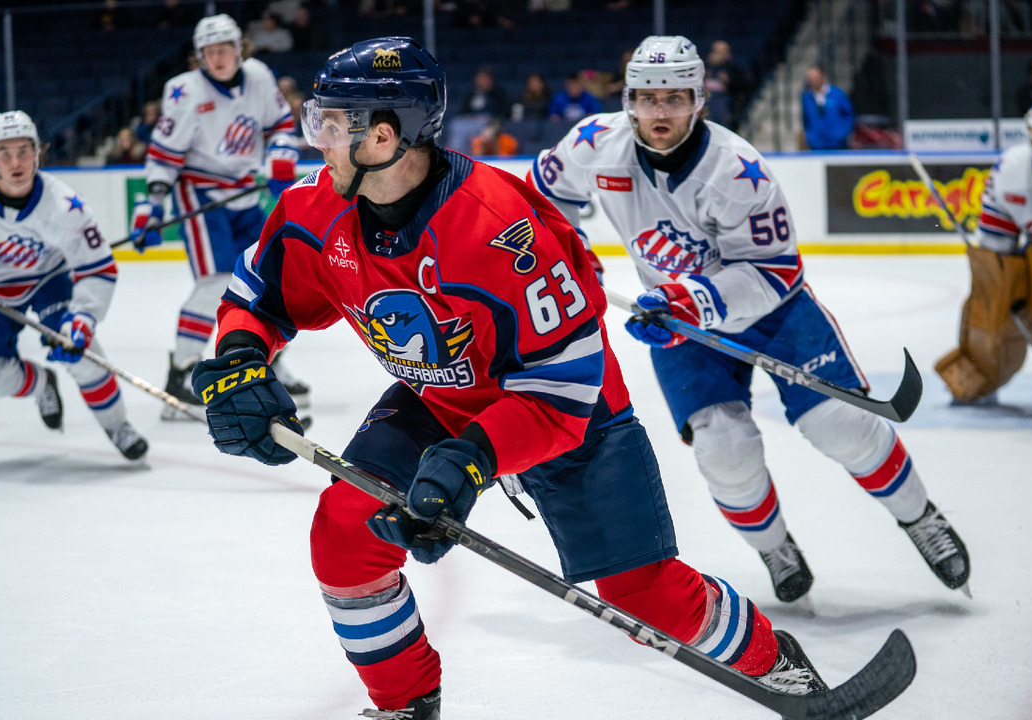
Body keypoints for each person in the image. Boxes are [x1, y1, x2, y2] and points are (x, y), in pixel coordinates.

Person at [192, 36, 832, 719]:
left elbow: (565, 386)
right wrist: (239, 362)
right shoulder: (313, 207)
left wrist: (472, 460)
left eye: (331, 123)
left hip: (568, 414)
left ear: (383, 135)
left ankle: (775, 663)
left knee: (645, 596)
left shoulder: (499, 228)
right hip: (438, 397)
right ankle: (405, 703)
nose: (315, 139)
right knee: (346, 535)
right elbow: (256, 295)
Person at [529, 36, 970, 606]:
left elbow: (776, 272)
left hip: (771, 313)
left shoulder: (737, 170)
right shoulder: (594, 144)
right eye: (647, 97)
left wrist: (691, 300)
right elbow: (543, 196)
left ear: (699, 100)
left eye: (674, 98)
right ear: (628, 100)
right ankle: (775, 548)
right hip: (681, 324)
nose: (660, 112)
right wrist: (571, 249)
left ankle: (920, 517)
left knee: (841, 424)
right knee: (723, 450)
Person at [0, 111, 148, 460]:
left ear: (38, 153)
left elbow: (98, 269)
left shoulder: (65, 207)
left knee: (83, 355)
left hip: (49, 279)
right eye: (5, 153)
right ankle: (41, 384)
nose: (15, 162)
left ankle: (118, 425)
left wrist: (83, 319)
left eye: (24, 151)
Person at [131, 14, 310, 420]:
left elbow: (280, 125)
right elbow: (164, 154)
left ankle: (268, 362)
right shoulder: (183, 91)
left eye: (224, 48)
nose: (218, 57)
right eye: (209, 51)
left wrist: (281, 153)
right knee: (215, 283)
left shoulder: (259, 76)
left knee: (267, 279)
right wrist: (153, 202)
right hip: (200, 193)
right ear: (199, 56)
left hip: (245, 192)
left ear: (239, 48)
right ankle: (181, 372)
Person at [939, 97, 1032, 402]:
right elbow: (995, 251)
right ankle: (982, 370)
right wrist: (995, 285)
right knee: (988, 302)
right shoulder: (1011, 169)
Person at [800, 65, 854, 150]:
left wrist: (841, 134)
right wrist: (810, 137)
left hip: (837, 145)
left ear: (823, 77)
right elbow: (806, 120)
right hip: (816, 146)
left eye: (815, 77)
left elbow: (849, 115)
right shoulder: (807, 98)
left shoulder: (837, 94)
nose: (812, 80)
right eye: (810, 78)